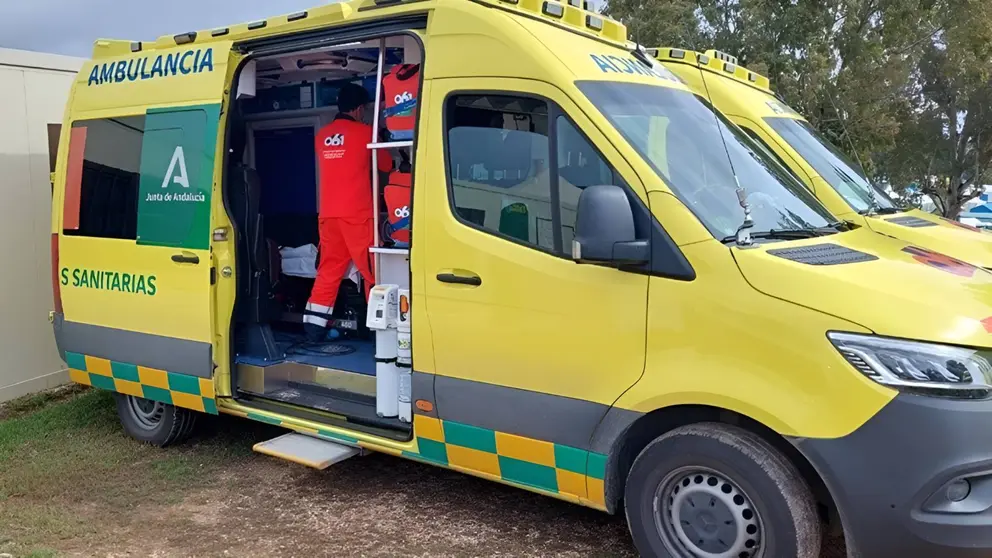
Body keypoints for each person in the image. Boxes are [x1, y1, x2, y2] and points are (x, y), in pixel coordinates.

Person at [304, 82, 393, 340]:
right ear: (357, 109)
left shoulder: (322, 136)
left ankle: (313, 328)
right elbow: (386, 164)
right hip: (357, 215)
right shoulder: (366, 134)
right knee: (371, 271)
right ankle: (379, 331)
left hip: (328, 216)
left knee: (329, 270)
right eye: (364, 109)